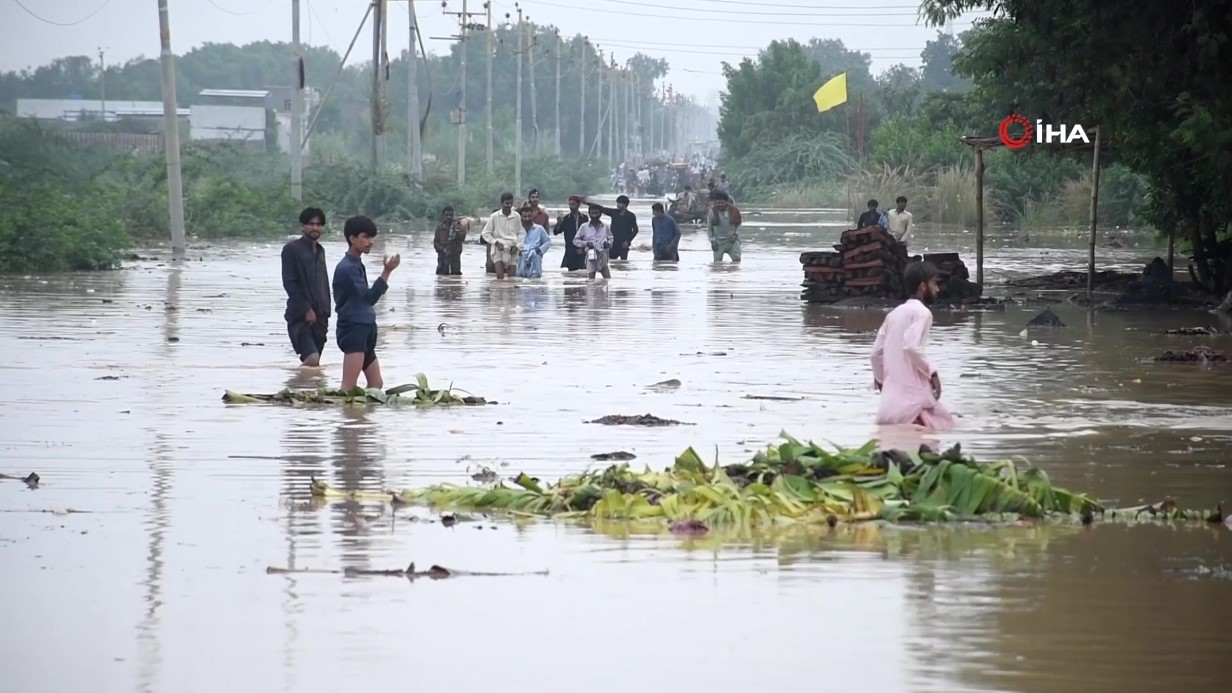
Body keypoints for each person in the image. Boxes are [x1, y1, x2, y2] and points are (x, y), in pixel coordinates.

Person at [870, 261, 955, 431]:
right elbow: (911, 347)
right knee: (941, 433)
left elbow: (876, 354)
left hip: (889, 405)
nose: (937, 289)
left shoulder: (894, 314)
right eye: (934, 284)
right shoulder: (922, 313)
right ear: (923, 286)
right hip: (914, 402)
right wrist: (932, 373)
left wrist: (882, 381)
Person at [332, 216, 400, 391]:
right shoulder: (347, 268)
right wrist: (387, 271)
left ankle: (364, 418)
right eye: (366, 237)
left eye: (372, 237)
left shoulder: (356, 264)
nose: (370, 242)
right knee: (348, 388)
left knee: (376, 384)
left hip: (365, 329)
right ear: (352, 239)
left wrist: (386, 271)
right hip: (354, 329)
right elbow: (369, 298)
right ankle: (347, 417)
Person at [280, 207, 331, 367]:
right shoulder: (291, 249)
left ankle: (303, 390)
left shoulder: (321, 251)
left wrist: (326, 311)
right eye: (311, 224)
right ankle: (294, 383)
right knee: (312, 359)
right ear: (302, 226)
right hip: (300, 316)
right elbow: (290, 283)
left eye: (318, 224)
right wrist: (306, 309)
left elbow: (323, 284)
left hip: (321, 316)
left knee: (315, 363)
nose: (315, 228)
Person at [584, 194, 639, 260]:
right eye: (617, 203)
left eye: (619, 203)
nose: (617, 205)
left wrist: (628, 241)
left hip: (624, 244)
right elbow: (600, 208)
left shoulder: (631, 216)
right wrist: (585, 202)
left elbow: (635, 230)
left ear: (625, 204)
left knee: (623, 264)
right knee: (611, 262)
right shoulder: (614, 213)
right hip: (613, 243)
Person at [480, 192, 522, 279]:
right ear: (502, 203)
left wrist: (518, 246)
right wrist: (495, 243)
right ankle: (498, 292)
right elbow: (485, 233)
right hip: (499, 248)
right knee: (500, 277)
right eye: (507, 203)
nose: (509, 205)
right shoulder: (494, 216)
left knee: (512, 278)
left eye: (510, 203)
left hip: (512, 248)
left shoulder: (517, 216)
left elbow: (521, 234)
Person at [574, 203, 614, 280]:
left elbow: (611, 238)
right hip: (591, 255)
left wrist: (608, 244)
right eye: (592, 213)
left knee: (607, 279)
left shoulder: (605, 226)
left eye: (596, 213)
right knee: (591, 280)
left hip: (603, 255)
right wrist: (586, 244)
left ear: (600, 214)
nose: (594, 215)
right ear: (589, 214)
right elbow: (575, 241)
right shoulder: (584, 227)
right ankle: (591, 291)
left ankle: (605, 291)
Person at [553, 194, 588, 271]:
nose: (571, 206)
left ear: (578, 205)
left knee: (584, 274)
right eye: (570, 204)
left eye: (573, 204)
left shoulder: (584, 218)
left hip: (582, 251)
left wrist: (584, 248)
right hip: (570, 251)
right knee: (570, 277)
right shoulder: (565, 219)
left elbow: (587, 234)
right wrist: (559, 223)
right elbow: (556, 232)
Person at [516, 205, 552, 278]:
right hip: (520, 260)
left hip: (535, 259)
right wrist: (517, 250)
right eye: (524, 216)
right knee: (519, 282)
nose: (527, 219)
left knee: (535, 282)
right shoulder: (516, 229)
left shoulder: (539, 229)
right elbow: (511, 242)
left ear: (532, 216)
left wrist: (539, 250)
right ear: (520, 217)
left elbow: (547, 242)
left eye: (529, 216)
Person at [707, 191, 742, 262]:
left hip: (732, 240)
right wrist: (712, 241)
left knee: (737, 260)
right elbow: (709, 228)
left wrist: (735, 234)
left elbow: (738, 223)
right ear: (715, 202)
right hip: (718, 242)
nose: (720, 205)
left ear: (726, 202)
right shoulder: (712, 212)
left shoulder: (733, 210)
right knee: (717, 263)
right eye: (718, 203)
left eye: (722, 202)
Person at [433, 206, 468, 276]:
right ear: (443, 216)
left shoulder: (458, 227)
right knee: (441, 278)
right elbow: (436, 243)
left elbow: (462, 238)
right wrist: (443, 249)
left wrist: (457, 229)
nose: (449, 217)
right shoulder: (439, 229)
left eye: (450, 215)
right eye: (446, 215)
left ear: (453, 216)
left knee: (455, 278)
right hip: (443, 258)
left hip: (455, 258)